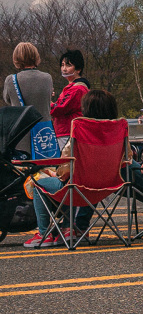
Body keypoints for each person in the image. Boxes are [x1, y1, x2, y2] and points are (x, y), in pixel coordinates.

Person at [25, 89, 128, 249]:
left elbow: (66, 170)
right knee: (73, 182)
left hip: (79, 187)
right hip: (108, 187)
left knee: (40, 183)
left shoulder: (80, 127)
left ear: (86, 109)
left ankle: (44, 234)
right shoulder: (120, 128)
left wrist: (55, 172)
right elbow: (126, 160)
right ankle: (71, 229)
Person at [3, 42, 54, 156]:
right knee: (45, 169)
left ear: (16, 59)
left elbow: (7, 99)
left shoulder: (11, 80)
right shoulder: (47, 78)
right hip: (44, 134)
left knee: (23, 167)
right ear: (36, 57)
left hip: (20, 135)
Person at [50, 49, 90, 151]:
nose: (64, 69)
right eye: (62, 65)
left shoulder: (77, 89)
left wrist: (47, 101)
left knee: (65, 164)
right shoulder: (73, 87)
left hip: (67, 131)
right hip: (66, 131)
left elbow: (59, 109)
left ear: (78, 69)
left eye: (68, 65)